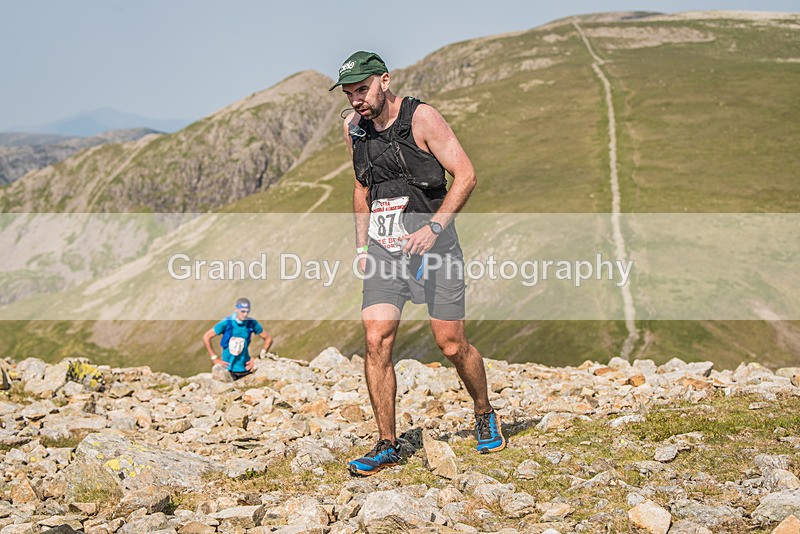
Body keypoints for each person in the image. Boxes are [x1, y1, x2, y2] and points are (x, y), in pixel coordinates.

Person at [331, 51, 506, 476]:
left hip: (435, 251)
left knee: (450, 344)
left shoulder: (423, 118)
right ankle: (387, 443)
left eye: (363, 89)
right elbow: (361, 188)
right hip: (385, 253)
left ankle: (484, 412)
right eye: (350, 93)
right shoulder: (353, 128)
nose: (357, 100)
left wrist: (434, 228)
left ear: (384, 81)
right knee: (377, 339)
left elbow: (465, 174)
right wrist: (362, 248)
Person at [202, 297, 272, 381]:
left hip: (245, 368)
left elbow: (268, 339)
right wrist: (214, 358)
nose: (245, 314)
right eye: (243, 311)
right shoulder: (227, 322)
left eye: (247, 311)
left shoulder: (251, 323)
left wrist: (258, 358)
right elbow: (206, 337)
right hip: (227, 368)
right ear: (236, 309)